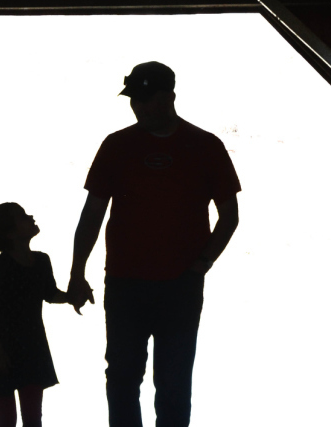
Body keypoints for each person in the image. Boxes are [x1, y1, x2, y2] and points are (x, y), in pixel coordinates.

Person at [67, 61, 242, 427]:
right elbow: (92, 214)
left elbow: (230, 217)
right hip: (124, 283)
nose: (140, 107)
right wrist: (77, 273)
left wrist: (201, 264)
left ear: (170, 98)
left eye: (148, 100)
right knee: (122, 378)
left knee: (174, 383)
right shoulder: (117, 146)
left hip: (180, 284)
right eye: (135, 100)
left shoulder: (206, 146)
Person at [0, 203, 73, 427]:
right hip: (8, 348)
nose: (31, 217)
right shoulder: (1, 266)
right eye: (23, 216)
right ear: (11, 232)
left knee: (30, 419)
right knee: (9, 420)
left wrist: (71, 297)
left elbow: (50, 293)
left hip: (29, 346)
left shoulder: (41, 261)